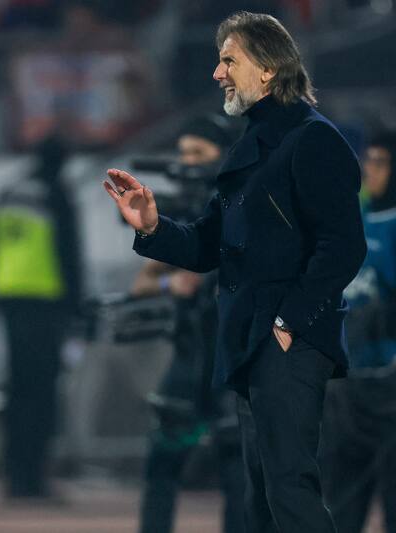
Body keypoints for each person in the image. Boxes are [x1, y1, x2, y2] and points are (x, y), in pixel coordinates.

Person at [103, 11, 366, 532]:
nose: (217, 73)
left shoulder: (314, 140)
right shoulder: (252, 144)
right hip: (251, 344)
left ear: (268, 69)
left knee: (289, 491)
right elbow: (207, 246)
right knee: (263, 502)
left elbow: (343, 247)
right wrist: (153, 227)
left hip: (286, 343)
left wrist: (289, 324)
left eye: (229, 60)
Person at [134, 115, 244, 533]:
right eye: (182, 153)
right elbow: (143, 281)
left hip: (229, 363)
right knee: (162, 466)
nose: (187, 163)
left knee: (237, 472)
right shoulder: (180, 212)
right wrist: (172, 281)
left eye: (198, 153)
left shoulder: (239, 208)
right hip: (187, 357)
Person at [0, 134, 83, 498]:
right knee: (42, 394)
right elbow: (69, 255)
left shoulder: (9, 191)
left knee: (17, 390)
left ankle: (13, 475)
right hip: (45, 302)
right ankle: (34, 478)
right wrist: (76, 310)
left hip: (10, 300)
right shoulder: (55, 194)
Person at [321, 132, 396, 533]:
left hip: (390, 388)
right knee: (342, 503)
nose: (371, 171)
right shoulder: (355, 220)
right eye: (369, 161)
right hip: (349, 387)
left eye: (382, 163)